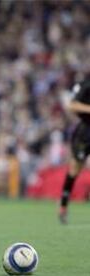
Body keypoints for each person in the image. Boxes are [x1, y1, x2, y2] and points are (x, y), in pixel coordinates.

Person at [58, 79, 90, 224]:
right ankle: (63, 206)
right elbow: (72, 105)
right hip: (86, 133)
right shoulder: (87, 84)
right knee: (75, 169)